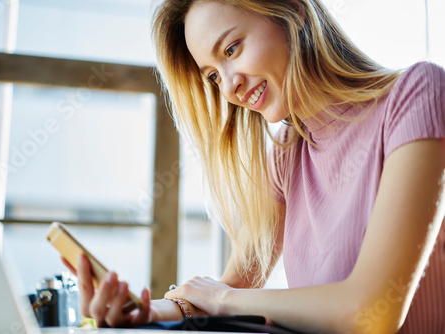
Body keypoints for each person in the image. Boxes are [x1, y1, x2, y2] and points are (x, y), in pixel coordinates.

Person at [63, 0, 445, 332]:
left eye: (231, 49)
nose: (228, 87)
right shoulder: (287, 152)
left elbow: (368, 314)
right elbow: (231, 286)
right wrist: (143, 311)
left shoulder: (417, 95)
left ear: (292, 12)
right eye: (212, 75)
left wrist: (225, 299)